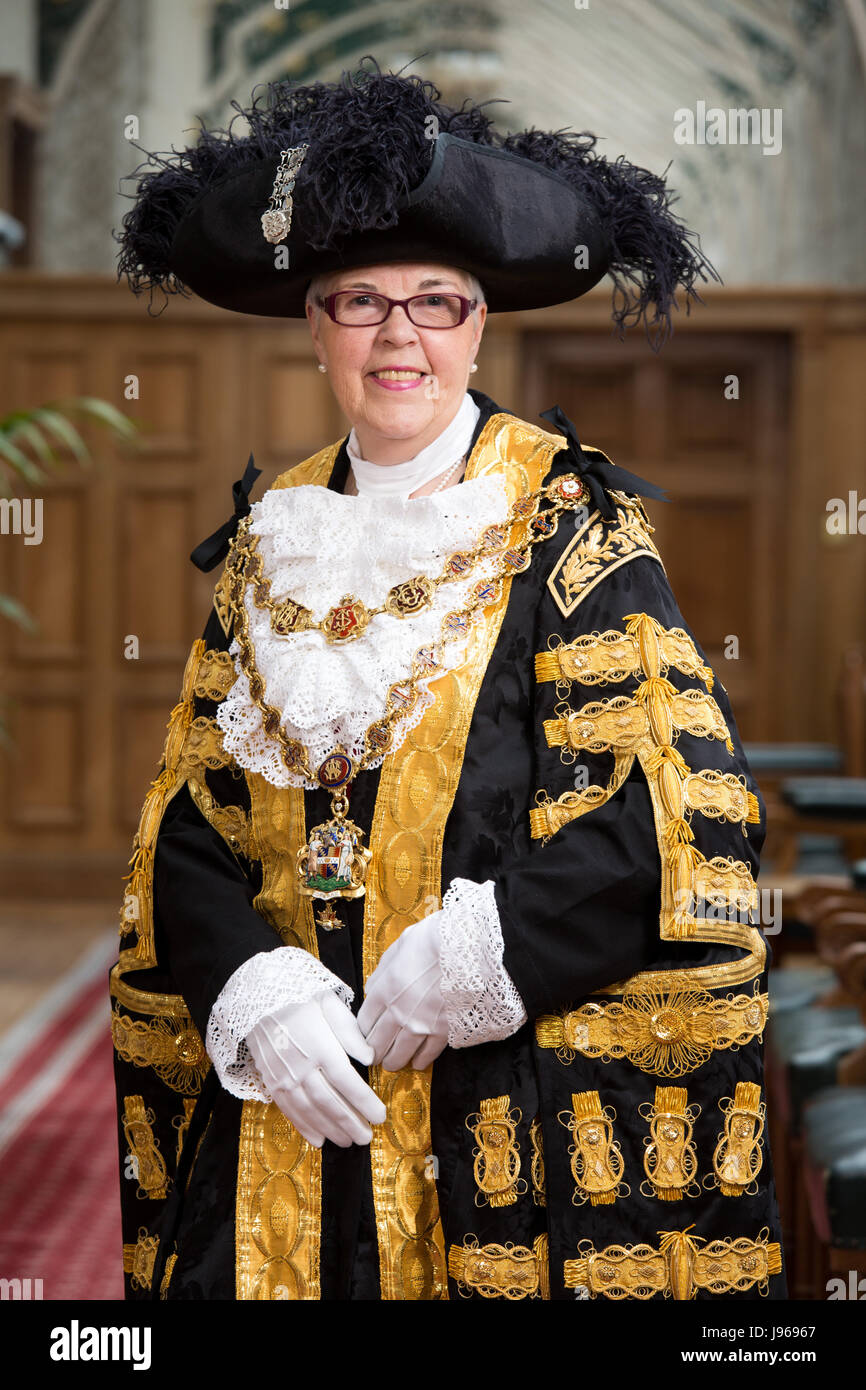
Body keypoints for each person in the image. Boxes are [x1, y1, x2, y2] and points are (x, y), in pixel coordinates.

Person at [111, 56, 786, 1301]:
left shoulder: (572, 523)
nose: (398, 336)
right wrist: (250, 989)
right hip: (287, 1097)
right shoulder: (270, 529)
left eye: (434, 302)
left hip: (497, 1099)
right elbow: (189, 822)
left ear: (479, 326)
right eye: (360, 302)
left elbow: (674, 814)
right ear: (312, 327)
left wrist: (484, 953)